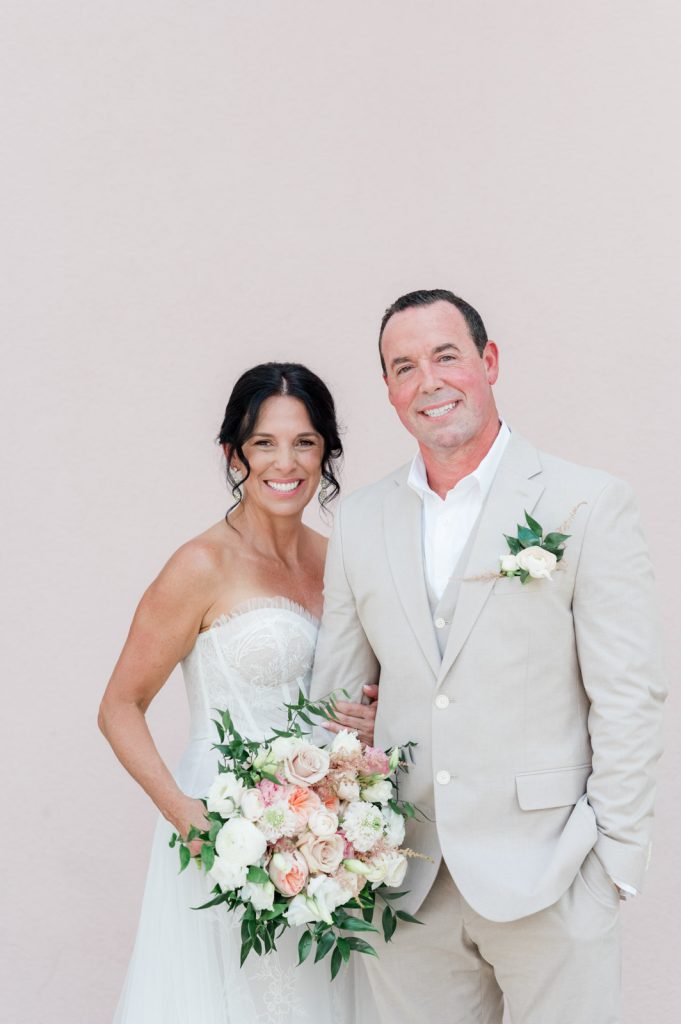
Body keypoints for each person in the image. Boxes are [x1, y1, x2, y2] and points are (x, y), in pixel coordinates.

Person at [310, 289, 667, 1024]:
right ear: (388, 391)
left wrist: (612, 869)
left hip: (552, 875)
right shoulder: (360, 521)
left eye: (446, 356)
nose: (428, 381)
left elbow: (627, 695)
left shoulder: (584, 503)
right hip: (404, 885)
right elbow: (337, 696)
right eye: (403, 367)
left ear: (488, 361)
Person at [98, 362, 378, 1024]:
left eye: (305, 442)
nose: (286, 462)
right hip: (224, 833)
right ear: (234, 453)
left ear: (326, 452)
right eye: (264, 442)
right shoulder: (201, 565)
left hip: (320, 839)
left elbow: (355, 688)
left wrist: (367, 716)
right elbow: (118, 707)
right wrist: (187, 818)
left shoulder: (340, 558)